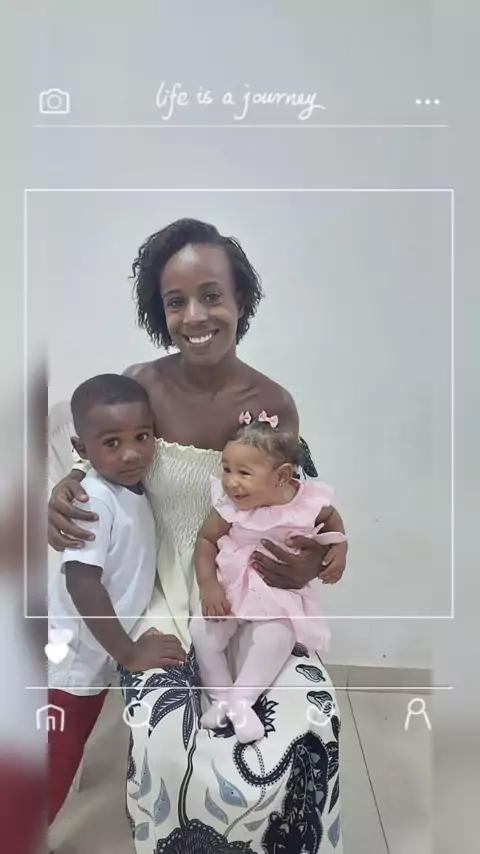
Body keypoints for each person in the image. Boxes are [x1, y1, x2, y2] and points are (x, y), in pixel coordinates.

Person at [48, 218, 347, 853]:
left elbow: (298, 504)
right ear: (158, 313)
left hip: (249, 586)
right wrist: (66, 488)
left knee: (308, 720)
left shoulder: (273, 404)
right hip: (157, 589)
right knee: (165, 737)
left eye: (212, 295)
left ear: (241, 299)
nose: (195, 315)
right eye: (174, 301)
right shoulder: (141, 384)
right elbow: (98, 462)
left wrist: (310, 563)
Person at [47, 373, 185, 827]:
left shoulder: (132, 489)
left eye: (142, 437)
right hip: (68, 667)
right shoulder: (94, 500)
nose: (131, 453)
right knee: (49, 769)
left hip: (88, 658)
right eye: (111, 442)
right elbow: (81, 582)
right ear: (82, 448)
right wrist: (129, 652)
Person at [191, 411, 347, 744]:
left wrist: (339, 549)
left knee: (278, 635)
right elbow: (205, 540)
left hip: (277, 588)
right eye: (227, 469)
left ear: (282, 476)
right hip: (233, 581)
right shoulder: (229, 505)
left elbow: (333, 522)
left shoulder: (306, 503)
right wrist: (208, 585)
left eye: (244, 473)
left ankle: (242, 701)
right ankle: (220, 697)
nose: (231, 482)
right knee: (202, 632)